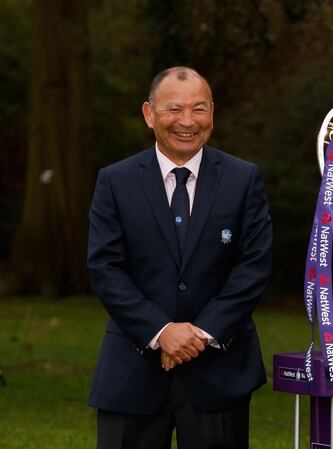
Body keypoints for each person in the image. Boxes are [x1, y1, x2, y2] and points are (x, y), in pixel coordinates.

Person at [87, 66, 273, 449]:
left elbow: (254, 265)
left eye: (199, 109)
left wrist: (199, 334)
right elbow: (105, 267)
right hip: (132, 372)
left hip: (219, 375)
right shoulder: (114, 181)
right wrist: (161, 332)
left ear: (213, 113)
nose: (187, 122)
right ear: (148, 113)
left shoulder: (243, 179)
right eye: (174, 109)